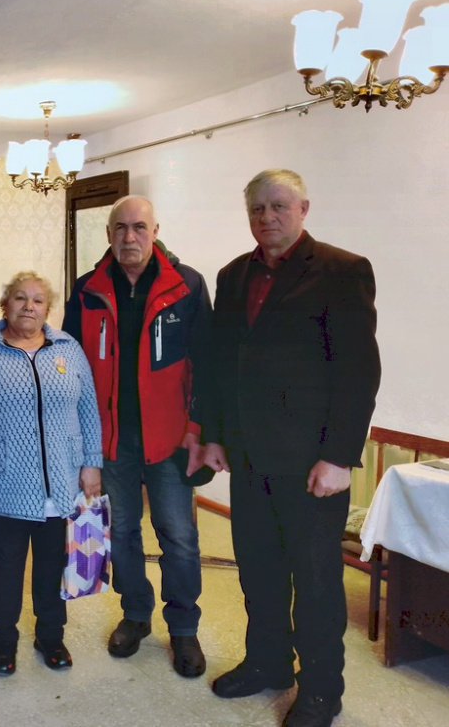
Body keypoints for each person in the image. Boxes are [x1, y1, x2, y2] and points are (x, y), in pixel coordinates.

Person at [203, 170, 381, 727]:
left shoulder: (342, 270)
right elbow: (221, 363)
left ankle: (323, 689)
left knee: (316, 581)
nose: (267, 217)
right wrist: (214, 435)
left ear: (303, 208)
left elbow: (358, 371)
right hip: (249, 458)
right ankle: (268, 663)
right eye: (257, 208)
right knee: (258, 571)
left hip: (311, 464)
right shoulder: (233, 275)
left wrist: (339, 456)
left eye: (279, 206)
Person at [61, 195, 213, 677]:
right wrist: (79, 444)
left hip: (170, 440)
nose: (130, 237)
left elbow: (206, 364)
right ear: (108, 234)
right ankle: (136, 614)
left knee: (179, 536)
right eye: (121, 228)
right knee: (122, 531)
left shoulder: (187, 285)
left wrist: (198, 430)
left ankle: (183, 628)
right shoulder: (87, 290)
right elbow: (70, 367)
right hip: (111, 442)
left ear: (155, 231)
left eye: (139, 227)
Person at [0, 271, 102, 676]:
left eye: (37, 300)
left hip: (62, 478)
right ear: (5, 305)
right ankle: (4, 640)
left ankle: (51, 636)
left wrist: (92, 462)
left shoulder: (67, 348)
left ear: (47, 309)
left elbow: (88, 408)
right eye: (20, 298)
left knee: (52, 564)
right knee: (5, 567)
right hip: (5, 481)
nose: (28, 306)